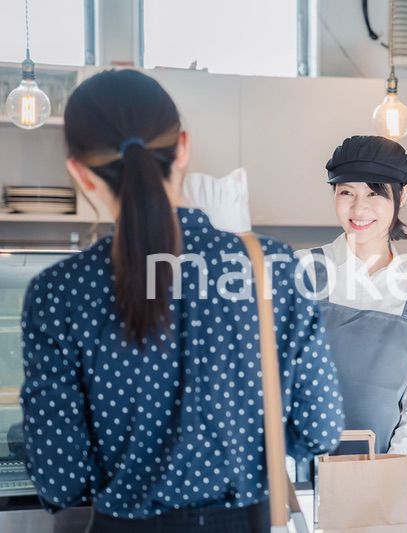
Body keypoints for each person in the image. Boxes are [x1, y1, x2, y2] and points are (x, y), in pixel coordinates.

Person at [19, 70, 344, 532]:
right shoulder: (268, 265)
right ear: (183, 147)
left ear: (79, 173)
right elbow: (321, 428)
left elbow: (61, 479)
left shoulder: (60, 292)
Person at [296, 135, 407, 465]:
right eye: (346, 192)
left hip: (379, 471)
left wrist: (391, 471)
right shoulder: (302, 270)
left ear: (402, 195)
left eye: (373, 193)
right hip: (298, 467)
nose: (358, 208)